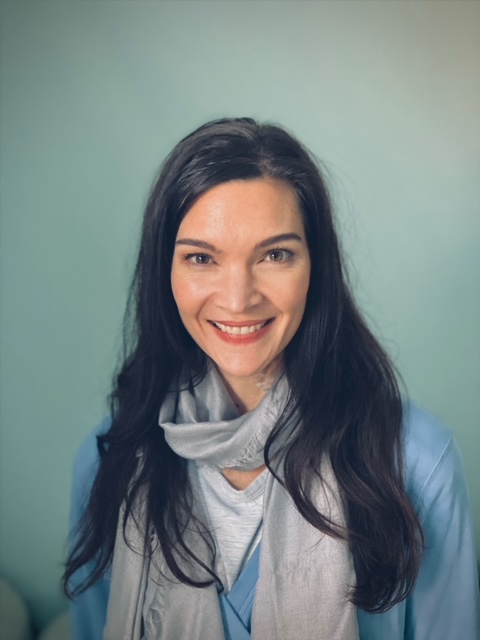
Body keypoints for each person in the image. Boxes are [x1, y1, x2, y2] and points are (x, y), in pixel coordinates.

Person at [64, 118, 480, 640]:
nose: (238, 299)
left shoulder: (417, 461)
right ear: (165, 271)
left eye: (275, 255)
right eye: (201, 258)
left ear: (316, 267)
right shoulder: (109, 461)